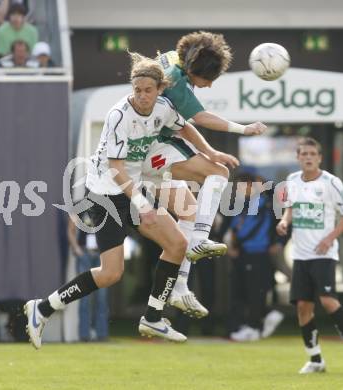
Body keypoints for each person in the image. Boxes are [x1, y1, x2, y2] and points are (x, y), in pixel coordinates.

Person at [25, 52, 230, 349]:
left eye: (148, 90)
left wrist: (212, 153)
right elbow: (116, 169)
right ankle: (42, 308)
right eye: (137, 90)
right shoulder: (119, 116)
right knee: (111, 274)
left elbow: (184, 126)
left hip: (133, 190)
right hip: (106, 195)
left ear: (160, 89)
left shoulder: (162, 106)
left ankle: (153, 316)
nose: (142, 96)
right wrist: (144, 206)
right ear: (132, 89)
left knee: (177, 245)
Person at [140, 31, 266, 319]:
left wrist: (210, 150)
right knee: (219, 173)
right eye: (209, 79)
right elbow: (201, 117)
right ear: (198, 69)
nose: (208, 86)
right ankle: (199, 238)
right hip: (152, 148)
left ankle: (180, 286)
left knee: (189, 212)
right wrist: (243, 129)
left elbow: (183, 123)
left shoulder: (175, 64)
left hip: (153, 148)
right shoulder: (173, 76)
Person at [277, 137, 343, 374]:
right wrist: (284, 222)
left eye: (312, 154)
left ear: (320, 158)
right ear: (298, 157)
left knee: (327, 300)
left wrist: (330, 238)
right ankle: (315, 360)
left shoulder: (331, 182)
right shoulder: (292, 180)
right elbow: (290, 208)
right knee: (303, 307)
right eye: (303, 154)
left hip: (323, 254)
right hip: (301, 255)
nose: (308, 157)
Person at [217, 172, 284, 341]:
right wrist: (227, 247)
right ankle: (239, 327)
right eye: (239, 185)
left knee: (255, 292)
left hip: (260, 254)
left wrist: (280, 243)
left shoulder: (268, 202)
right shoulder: (235, 205)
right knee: (238, 292)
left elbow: (285, 223)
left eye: (245, 184)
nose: (241, 189)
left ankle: (255, 326)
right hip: (240, 254)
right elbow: (223, 230)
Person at [68, 215, 109, 341]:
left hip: (100, 253)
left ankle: (101, 334)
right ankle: (84, 335)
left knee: (102, 297)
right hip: (85, 253)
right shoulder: (79, 207)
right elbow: (71, 229)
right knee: (84, 296)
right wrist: (76, 248)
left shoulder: (104, 207)